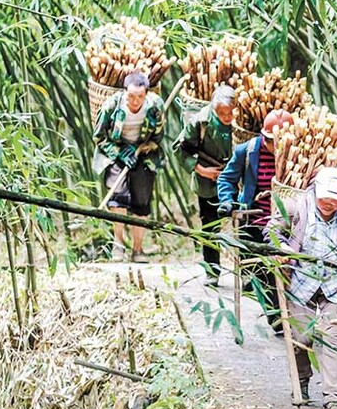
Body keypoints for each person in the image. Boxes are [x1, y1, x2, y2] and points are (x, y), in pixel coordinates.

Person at [266, 167, 337, 409]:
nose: (330, 204)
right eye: (325, 199)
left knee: (333, 338)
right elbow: (272, 230)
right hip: (301, 282)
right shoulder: (296, 208)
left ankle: (332, 398)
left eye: (336, 200)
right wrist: (281, 249)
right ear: (315, 192)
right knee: (301, 338)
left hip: (333, 285)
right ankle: (302, 380)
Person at [216, 111, 283, 330]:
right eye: (273, 142)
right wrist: (227, 200)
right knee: (261, 270)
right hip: (253, 220)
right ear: (266, 137)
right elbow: (226, 178)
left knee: (282, 268)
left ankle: (286, 314)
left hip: (283, 224)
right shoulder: (247, 151)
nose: (277, 146)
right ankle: (275, 316)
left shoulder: (294, 154)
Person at [92, 72, 165, 262]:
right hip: (115, 152)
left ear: (146, 94)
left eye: (140, 96)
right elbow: (99, 137)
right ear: (124, 92)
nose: (135, 101)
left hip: (142, 153)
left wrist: (144, 147)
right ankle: (118, 245)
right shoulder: (112, 106)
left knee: (141, 201)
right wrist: (119, 152)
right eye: (131, 96)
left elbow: (158, 137)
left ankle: (138, 250)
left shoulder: (156, 106)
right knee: (117, 197)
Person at [174, 85, 235, 286]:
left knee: (244, 225)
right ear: (214, 109)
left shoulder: (242, 121)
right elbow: (179, 149)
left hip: (238, 181)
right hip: (208, 182)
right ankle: (212, 272)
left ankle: (249, 275)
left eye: (230, 112)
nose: (227, 117)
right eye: (222, 113)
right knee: (210, 227)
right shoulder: (199, 122)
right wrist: (201, 170)